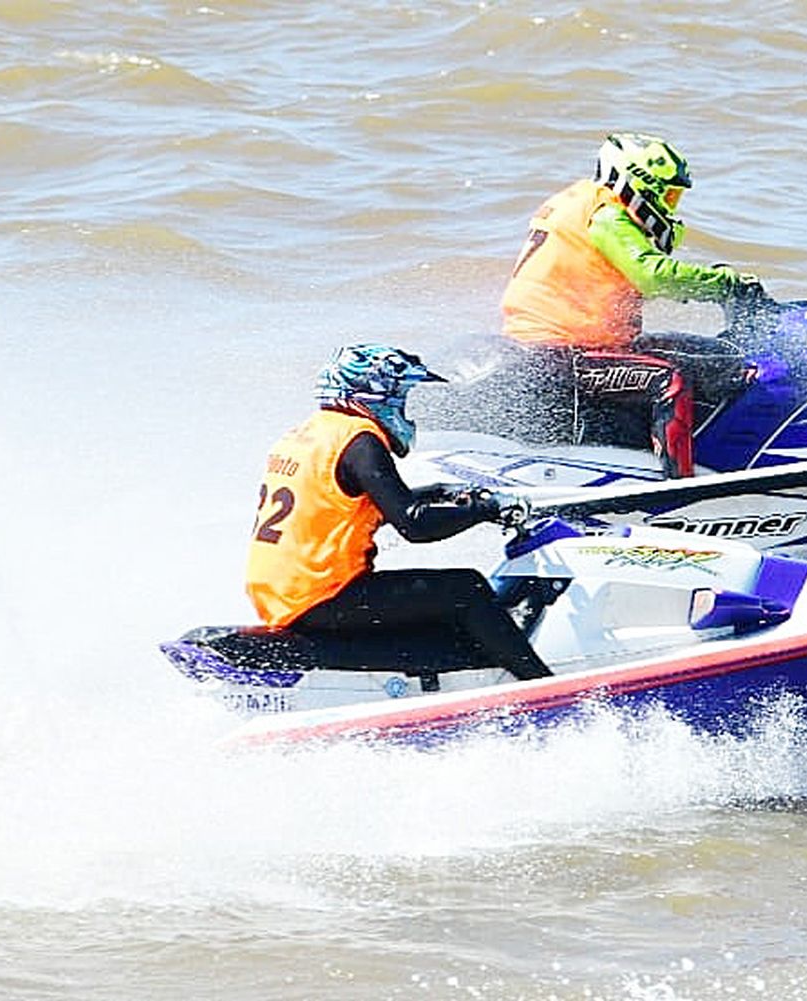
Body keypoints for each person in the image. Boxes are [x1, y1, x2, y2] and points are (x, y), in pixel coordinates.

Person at [244, 343, 550, 680]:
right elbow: (414, 525)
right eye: (401, 396)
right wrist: (486, 509)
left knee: (443, 605)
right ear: (373, 394)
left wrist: (440, 493)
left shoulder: (309, 434)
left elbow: (346, 502)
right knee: (467, 588)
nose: (403, 408)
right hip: (323, 596)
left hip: (284, 593)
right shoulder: (360, 441)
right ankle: (543, 685)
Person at [500, 132, 765, 478]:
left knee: (717, 355)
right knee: (670, 381)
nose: (671, 207)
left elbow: (614, 279)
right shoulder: (608, 215)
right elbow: (654, 276)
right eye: (668, 195)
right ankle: (680, 485)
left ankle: (718, 455)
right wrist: (726, 282)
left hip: (576, 345)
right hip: (562, 351)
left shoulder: (581, 200)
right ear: (638, 184)